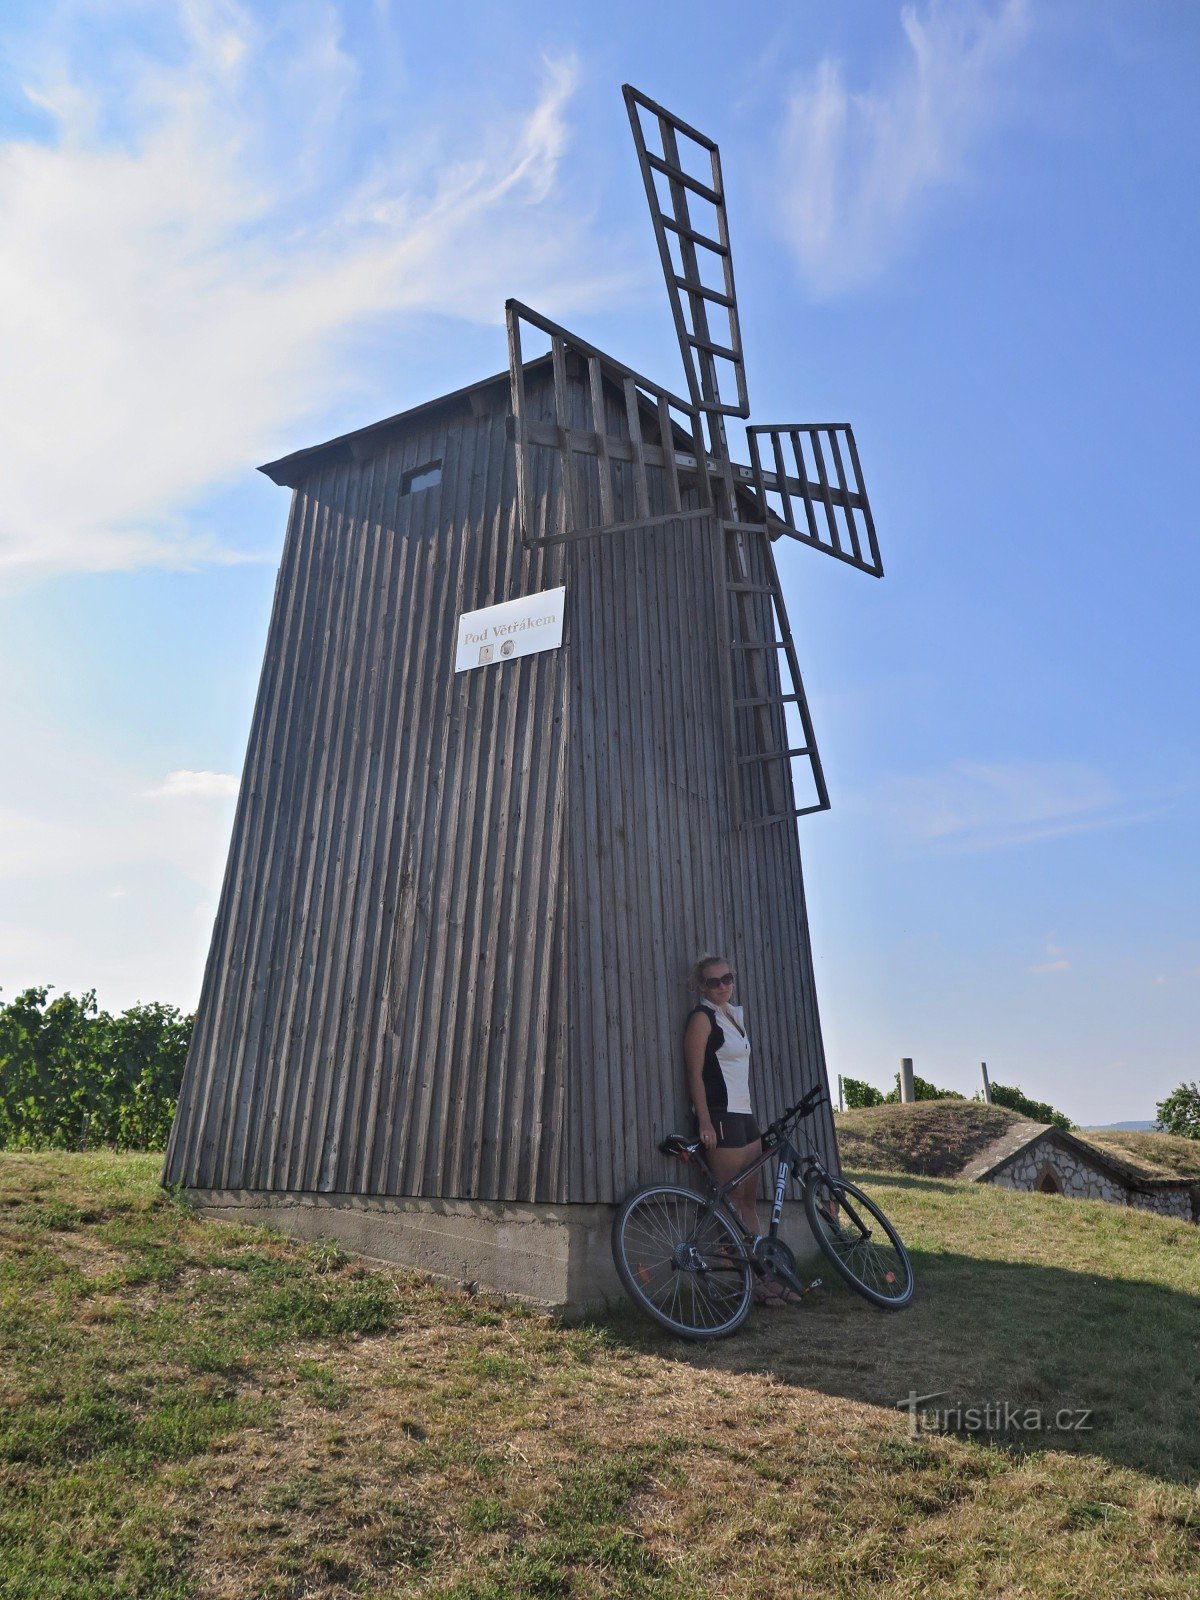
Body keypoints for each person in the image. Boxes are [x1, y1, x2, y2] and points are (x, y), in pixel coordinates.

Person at [683, 954, 800, 1307]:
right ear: (701, 987)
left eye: (726, 978)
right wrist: (704, 1121)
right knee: (731, 1204)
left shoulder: (734, 1015)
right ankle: (742, 1284)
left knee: (748, 1201)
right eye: (713, 982)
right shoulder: (701, 1019)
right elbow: (694, 1074)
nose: (722, 986)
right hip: (721, 1118)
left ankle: (762, 1279)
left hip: (745, 1116)